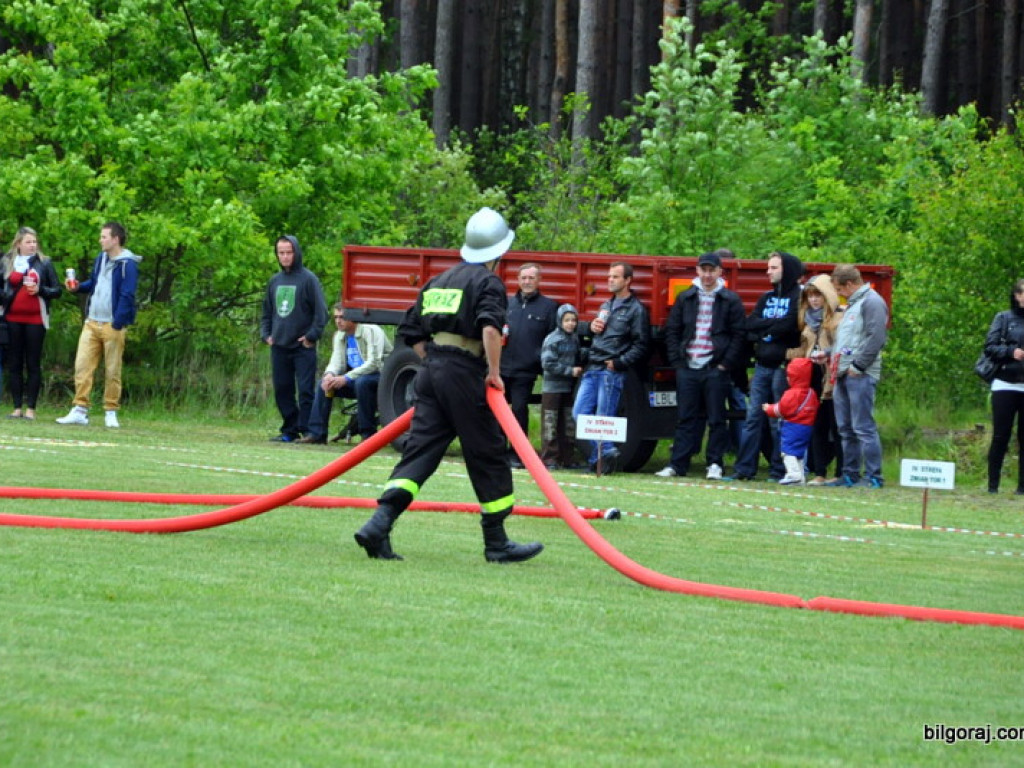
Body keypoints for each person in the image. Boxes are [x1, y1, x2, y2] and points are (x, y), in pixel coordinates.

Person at [354, 207, 543, 563]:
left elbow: (410, 332)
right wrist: (494, 372)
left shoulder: (439, 280)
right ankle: (497, 542)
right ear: (500, 253)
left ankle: (379, 525)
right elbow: (489, 329)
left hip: (431, 371)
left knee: (420, 451)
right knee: (487, 452)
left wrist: (436, 361)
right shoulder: (488, 283)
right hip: (464, 372)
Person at [655, 251, 745, 480]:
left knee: (717, 418)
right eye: (703, 270)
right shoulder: (686, 298)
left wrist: (725, 364)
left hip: (715, 368)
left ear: (719, 272)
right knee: (685, 418)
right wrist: (678, 363)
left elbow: (738, 335)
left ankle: (715, 463)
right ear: (697, 271)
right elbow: (673, 331)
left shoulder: (730, 299)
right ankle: (678, 464)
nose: (707, 275)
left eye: (711, 270)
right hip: (688, 367)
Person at [728, 251, 804, 481]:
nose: (768, 272)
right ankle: (744, 469)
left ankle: (778, 470)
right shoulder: (766, 298)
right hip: (762, 366)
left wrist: (766, 329)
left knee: (777, 421)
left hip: (783, 368)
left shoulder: (798, 298)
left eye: (773, 268)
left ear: (787, 270)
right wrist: (771, 327)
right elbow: (749, 324)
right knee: (753, 419)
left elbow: (790, 325)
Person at [56, 222, 141, 428]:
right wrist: (77, 287)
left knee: (112, 370)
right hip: (91, 322)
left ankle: (111, 411)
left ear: (115, 239)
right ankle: (80, 410)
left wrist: (118, 322)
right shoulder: (100, 259)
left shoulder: (127, 264)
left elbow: (127, 294)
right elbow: (94, 283)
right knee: (82, 366)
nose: (100, 240)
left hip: (112, 324)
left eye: (104, 237)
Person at [572, 262, 650, 474]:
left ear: (627, 281)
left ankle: (598, 462)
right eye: (609, 276)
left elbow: (641, 344)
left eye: (615, 277)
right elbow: (597, 332)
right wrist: (591, 327)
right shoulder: (606, 305)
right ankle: (607, 450)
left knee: (603, 418)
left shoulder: (636, 309)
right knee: (579, 414)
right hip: (593, 367)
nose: (610, 280)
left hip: (611, 371)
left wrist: (619, 363)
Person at [259, 235, 328, 442]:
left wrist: (311, 336)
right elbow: (266, 312)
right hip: (279, 345)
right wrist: (266, 335)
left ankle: (308, 430)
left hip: (302, 346)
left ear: (296, 252)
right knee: (282, 389)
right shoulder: (275, 281)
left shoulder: (308, 280)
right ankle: (289, 430)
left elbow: (321, 312)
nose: (286, 257)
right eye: (281, 253)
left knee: (306, 390)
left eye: (289, 252)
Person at [827, 264, 889, 488]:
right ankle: (850, 474)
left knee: (863, 426)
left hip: (859, 374)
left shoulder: (872, 302)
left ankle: (874, 477)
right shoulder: (852, 305)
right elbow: (848, 341)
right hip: (843, 372)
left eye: (839, 289)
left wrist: (859, 365)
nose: (839, 294)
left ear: (850, 284)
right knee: (845, 428)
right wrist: (827, 354)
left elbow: (876, 336)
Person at [298, 302, 393, 444]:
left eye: (342, 317)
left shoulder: (371, 330)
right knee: (323, 385)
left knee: (363, 382)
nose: (338, 321)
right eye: (336, 317)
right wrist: (329, 374)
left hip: (381, 378)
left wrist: (346, 378)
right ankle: (317, 434)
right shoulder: (340, 336)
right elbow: (336, 361)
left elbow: (374, 363)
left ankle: (368, 434)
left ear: (353, 316)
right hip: (355, 379)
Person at [787, 275, 844, 485]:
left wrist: (828, 355)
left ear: (827, 294)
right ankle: (819, 472)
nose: (813, 300)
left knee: (837, 427)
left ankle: (841, 472)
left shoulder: (840, 318)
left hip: (833, 377)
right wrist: (782, 354)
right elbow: (805, 349)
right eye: (810, 295)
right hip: (813, 376)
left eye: (818, 294)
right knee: (817, 426)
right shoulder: (807, 321)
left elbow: (845, 347)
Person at [500, 262, 558, 467]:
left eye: (531, 278)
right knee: (499, 412)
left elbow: (553, 340)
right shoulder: (506, 304)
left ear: (539, 280)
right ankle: (498, 452)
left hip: (526, 370)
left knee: (518, 410)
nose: (527, 282)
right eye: (523, 278)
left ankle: (517, 454)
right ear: (518, 280)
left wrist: (540, 363)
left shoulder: (549, 307)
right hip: (501, 368)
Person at [1, 227, 61, 420]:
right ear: (18, 244)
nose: (32, 245)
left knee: (33, 363)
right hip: (12, 319)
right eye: (28, 242)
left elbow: (57, 290)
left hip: (36, 319)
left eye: (34, 242)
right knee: (15, 363)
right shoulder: (6, 261)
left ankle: (31, 409)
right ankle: (17, 407)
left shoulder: (44, 263)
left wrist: (40, 289)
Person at [982, 280, 1024, 494]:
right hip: (1005, 383)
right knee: (1001, 435)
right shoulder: (1004, 318)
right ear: (1017, 295)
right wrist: (1010, 352)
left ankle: (1022, 488)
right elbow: (989, 347)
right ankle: (993, 486)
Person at [762, 357, 820, 485]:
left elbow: (781, 409)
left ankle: (793, 474)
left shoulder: (791, 394)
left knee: (787, 451)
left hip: (792, 427)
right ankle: (800, 475)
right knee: (798, 452)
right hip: (807, 427)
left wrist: (768, 409)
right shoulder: (811, 393)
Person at [539, 303, 583, 470]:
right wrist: (569, 371)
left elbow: (578, 355)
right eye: (567, 320)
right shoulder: (552, 339)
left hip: (568, 389)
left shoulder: (574, 338)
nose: (570, 323)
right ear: (559, 321)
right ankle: (550, 458)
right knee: (550, 423)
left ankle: (568, 457)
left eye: (573, 320)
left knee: (568, 424)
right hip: (552, 389)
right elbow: (547, 363)